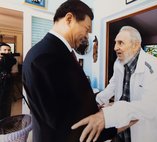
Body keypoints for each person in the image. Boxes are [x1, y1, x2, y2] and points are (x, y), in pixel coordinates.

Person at [22, 1, 117, 142]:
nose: (87, 36)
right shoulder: (45, 57)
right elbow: (62, 123)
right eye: (86, 29)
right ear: (69, 19)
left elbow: (66, 100)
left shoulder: (59, 52)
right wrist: (115, 125)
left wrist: (93, 106)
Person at [72, 26, 157, 142]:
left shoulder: (152, 65)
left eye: (120, 43)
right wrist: (96, 101)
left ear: (135, 45)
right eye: (115, 43)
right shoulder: (118, 62)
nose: (115, 48)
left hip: (144, 132)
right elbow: (113, 86)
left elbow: (150, 106)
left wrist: (111, 113)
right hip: (121, 128)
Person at [0, 42, 16, 120]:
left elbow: (13, 62)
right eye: (5, 50)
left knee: (6, 107)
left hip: (7, 87)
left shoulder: (10, 60)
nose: (7, 52)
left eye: (9, 50)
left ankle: (5, 122)